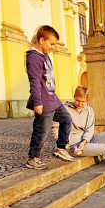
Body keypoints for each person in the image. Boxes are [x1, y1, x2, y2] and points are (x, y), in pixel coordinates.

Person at [26, 25, 73, 169]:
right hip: (43, 101)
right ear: (41, 40)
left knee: (66, 119)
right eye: (51, 44)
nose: (53, 47)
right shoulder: (34, 58)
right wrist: (37, 102)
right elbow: (34, 81)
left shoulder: (45, 56)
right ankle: (33, 158)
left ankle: (60, 148)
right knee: (42, 130)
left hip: (53, 98)